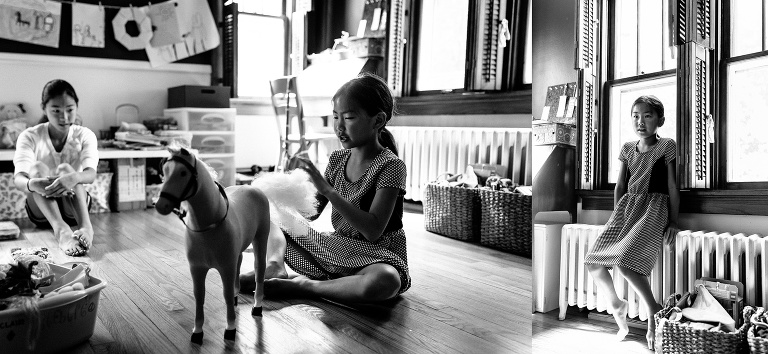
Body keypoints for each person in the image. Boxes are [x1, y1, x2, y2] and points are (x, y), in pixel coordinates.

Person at [241, 73, 410, 303]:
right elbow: (311, 213)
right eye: (335, 117)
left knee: (386, 281)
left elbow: (373, 230)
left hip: (379, 256)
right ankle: (274, 267)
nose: (339, 127)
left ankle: (307, 286)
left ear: (378, 120)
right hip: (339, 248)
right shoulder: (338, 159)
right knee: (271, 220)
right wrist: (282, 196)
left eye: (349, 117)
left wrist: (330, 191)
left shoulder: (391, 166)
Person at [584, 95, 680, 349]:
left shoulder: (667, 146)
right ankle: (617, 304)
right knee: (593, 261)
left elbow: (672, 185)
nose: (640, 121)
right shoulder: (627, 148)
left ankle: (653, 312)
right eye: (636, 116)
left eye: (647, 116)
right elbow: (620, 186)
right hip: (625, 209)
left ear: (659, 120)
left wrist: (674, 220)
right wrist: (617, 215)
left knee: (626, 264)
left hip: (652, 209)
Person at [13, 79, 98, 256]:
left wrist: (74, 177)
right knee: (35, 169)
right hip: (41, 212)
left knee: (67, 170)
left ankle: (85, 226)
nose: (64, 117)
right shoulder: (29, 136)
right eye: (56, 111)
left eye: (69, 110)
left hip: (74, 208)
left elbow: (90, 174)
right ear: (44, 108)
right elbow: (19, 179)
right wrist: (33, 184)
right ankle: (61, 230)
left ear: (76, 107)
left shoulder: (85, 134)